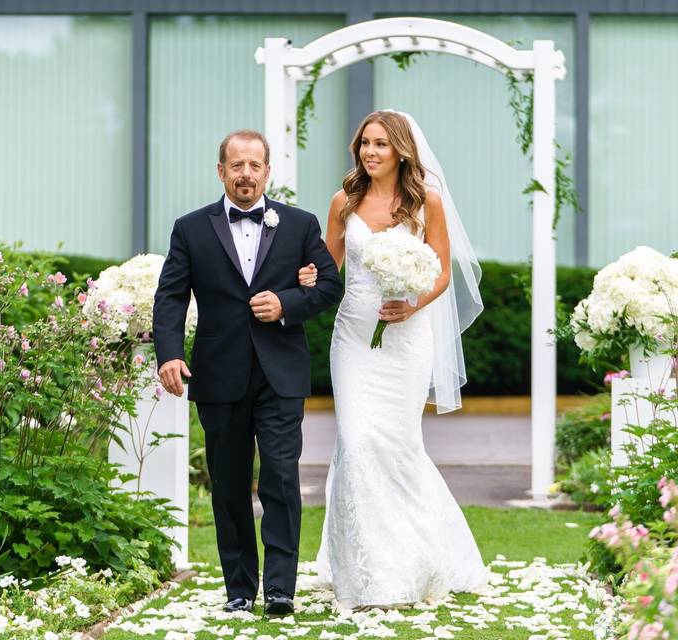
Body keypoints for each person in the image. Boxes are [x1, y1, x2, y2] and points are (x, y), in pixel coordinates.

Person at [298, 110, 489, 608]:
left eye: (380, 144)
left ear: (402, 149)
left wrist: (413, 304)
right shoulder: (345, 201)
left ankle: (419, 556)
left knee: (399, 444)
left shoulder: (427, 201)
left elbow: (443, 272)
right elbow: (329, 267)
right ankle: (365, 570)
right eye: (364, 143)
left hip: (407, 342)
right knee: (356, 441)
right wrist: (305, 279)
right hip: (353, 339)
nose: (370, 152)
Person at [153, 129, 343, 615]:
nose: (245, 174)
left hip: (280, 374)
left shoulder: (298, 225)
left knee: (281, 476)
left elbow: (329, 285)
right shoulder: (190, 228)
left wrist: (286, 303)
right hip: (219, 375)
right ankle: (239, 588)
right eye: (236, 166)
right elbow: (171, 296)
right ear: (221, 171)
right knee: (230, 483)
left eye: (254, 165)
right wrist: (169, 354)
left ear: (267, 171)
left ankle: (280, 589)